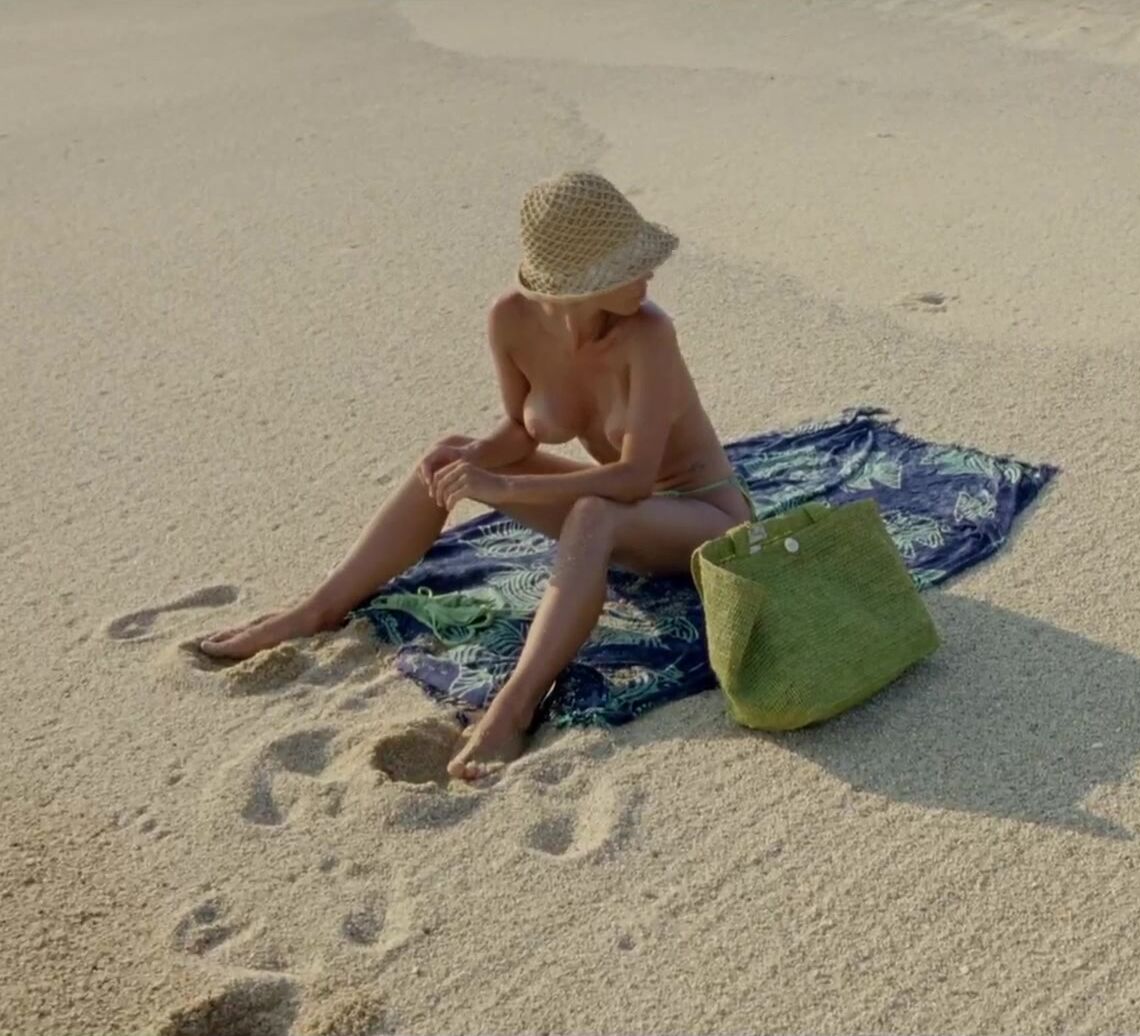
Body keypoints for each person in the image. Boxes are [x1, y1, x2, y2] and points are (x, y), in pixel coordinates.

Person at [198, 170, 752, 780]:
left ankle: (514, 708)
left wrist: (506, 488)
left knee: (594, 513)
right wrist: (474, 462)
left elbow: (633, 481)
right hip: (625, 519)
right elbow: (518, 430)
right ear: (579, 280)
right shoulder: (511, 319)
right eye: (630, 263)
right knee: (449, 453)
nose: (649, 273)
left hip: (704, 519)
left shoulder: (649, 334)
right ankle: (318, 609)